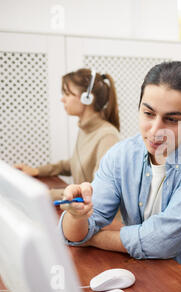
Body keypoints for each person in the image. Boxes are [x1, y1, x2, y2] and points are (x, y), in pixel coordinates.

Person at [59, 61, 181, 267]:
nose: (155, 130)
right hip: (140, 271)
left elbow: (161, 241)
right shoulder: (122, 155)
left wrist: (93, 238)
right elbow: (75, 233)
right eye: (148, 114)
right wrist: (77, 215)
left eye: (171, 119)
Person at [14, 68, 120, 200]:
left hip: (97, 216)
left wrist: (50, 195)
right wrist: (37, 171)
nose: (62, 99)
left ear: (87, 98)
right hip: (82, 210)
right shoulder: (86, 129)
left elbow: (97, 189)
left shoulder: (107, 136)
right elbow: (73, 164)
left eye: (67, 94)